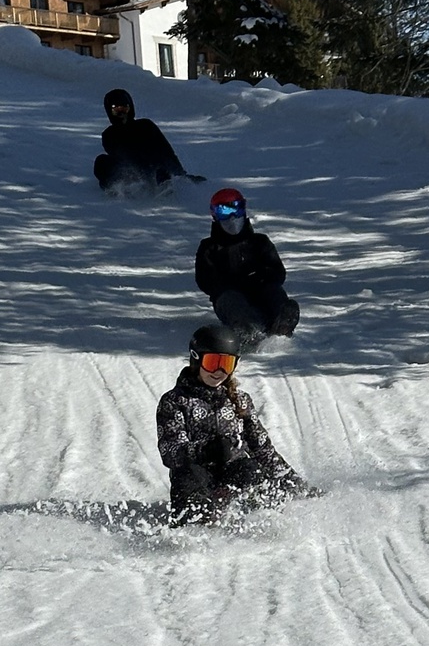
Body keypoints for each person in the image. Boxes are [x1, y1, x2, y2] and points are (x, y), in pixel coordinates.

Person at [156, 325, 313, 523]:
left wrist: (295, 484)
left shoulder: (240, 400)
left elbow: (262, 448)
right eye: (213, 362)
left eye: (227, 364)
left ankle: (255, 521)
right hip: (197, 476)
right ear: (196, 359)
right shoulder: (174, 401)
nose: (219, 371)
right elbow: (170, 451)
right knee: (188, 473)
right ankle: (194, 529)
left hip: (231, 476)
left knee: (251, 469)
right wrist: (205, 450)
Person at [194, 187, 300, 351]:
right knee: (232, 302)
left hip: (259, 291)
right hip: (229, 297)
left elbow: (278, 273)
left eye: (237, 209)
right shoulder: (210, 248)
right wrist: (228, 284)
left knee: (274, 291)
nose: (232, 217)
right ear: (214, 215)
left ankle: (281, 323)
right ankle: (249, 332)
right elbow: (204, 280)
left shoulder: (260, 242)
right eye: (224, 211)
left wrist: (261, 276)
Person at [94, 88, 205, 194]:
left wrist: (180, 174)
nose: (122, 113)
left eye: (125, 109)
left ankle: (164, 184)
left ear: (130, 108)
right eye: (116, 110)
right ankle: (121, 188)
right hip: (132, 173)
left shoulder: (145, 125)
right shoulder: (109, 134)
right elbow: (119, 156)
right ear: (110, 112)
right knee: (101, 161)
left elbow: (166, 151)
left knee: (158, 167)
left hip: (153, 168)